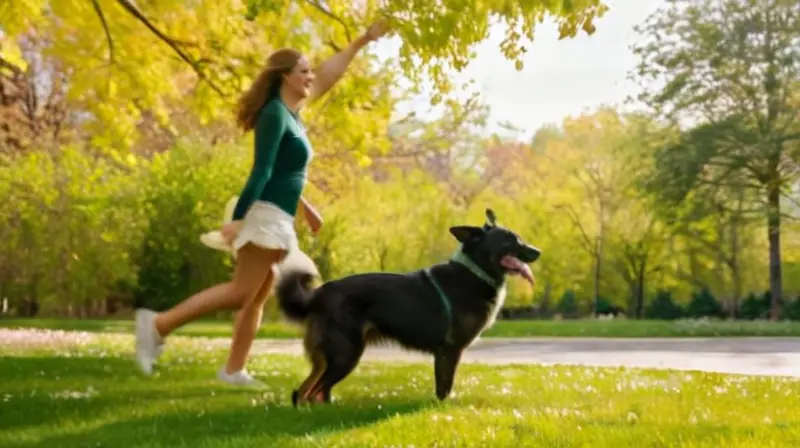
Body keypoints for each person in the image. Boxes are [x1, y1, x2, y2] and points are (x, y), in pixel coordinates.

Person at [134, 21, 390, 386]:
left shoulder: (292, 114)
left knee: (254, 298)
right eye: (303, 71)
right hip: (264, 214)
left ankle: (233, 370)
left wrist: (363, 40)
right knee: (241, 293)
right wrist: (240, 218)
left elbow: (289, 164)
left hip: (279, 214)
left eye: (310, 71)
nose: (311, 77)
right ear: (285, 76)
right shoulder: (274, 114)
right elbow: (263, 170)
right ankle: (157, 325)